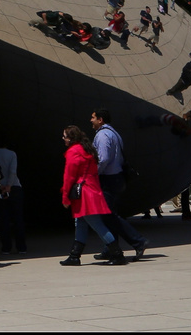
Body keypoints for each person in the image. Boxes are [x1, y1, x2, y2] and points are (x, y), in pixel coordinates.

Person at [58, 126, 126, 266]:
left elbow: (69, 176)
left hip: (83, 193)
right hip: (91, 190)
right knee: (81, 223)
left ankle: (117, 254)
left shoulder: (73, 152)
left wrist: (65, 197)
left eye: (64, 136)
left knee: (96, 225)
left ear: (71, 138)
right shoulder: (87, 150)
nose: (63, 138)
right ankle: (74, 255)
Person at [89, 109, 146, 259]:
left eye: (93, 117)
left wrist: (93, 174)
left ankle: (138, 241)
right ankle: (111, 248)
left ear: (100, 120)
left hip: (109, 179)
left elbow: (103, 159)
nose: (91, 120)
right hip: (117, 178)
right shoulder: (114, 133)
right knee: (109, 214)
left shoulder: (102, 135)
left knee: (108, 215)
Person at [0, 142, 26, 254]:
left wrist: (0, 186)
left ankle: (6, 247)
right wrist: (9, 186)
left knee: (3, 220)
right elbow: (13, 171)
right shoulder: (12, 154)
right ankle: (21, 247)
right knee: (18, 219)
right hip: (14, 187)